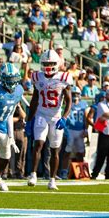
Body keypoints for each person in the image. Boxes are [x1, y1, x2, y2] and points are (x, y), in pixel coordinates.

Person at [25, 50, 73, 190]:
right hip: (41, 114)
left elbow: (69, 101)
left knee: (55, 149)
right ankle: (33, 174)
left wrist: (64, 117)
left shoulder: (64, 77)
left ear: (57, 64)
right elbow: (34, 99)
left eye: (51, 63)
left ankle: (52, 179)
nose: (48, 65)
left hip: (56, 117)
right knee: (38, 144)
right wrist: (29, 120)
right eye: (46, 63)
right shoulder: (37, 77)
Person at [0, 63, 24, 193]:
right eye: (9, 80)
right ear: (3, 79)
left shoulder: (19, 90)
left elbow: (11, 113)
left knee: (5, 158)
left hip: (2, 127)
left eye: (14, 79)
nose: (12, 83)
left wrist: (11, 136)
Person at [61, 86, 89, 179]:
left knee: (80, 153)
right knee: (67, 152)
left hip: (80, 130)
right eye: (73, 94)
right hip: (70, 129)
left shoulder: (83, 104)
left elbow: (85, 118)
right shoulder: (67, 104)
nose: (75, 96)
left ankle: (81, 172)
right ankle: (64, 172)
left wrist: (86, 130)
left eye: (77, 94)